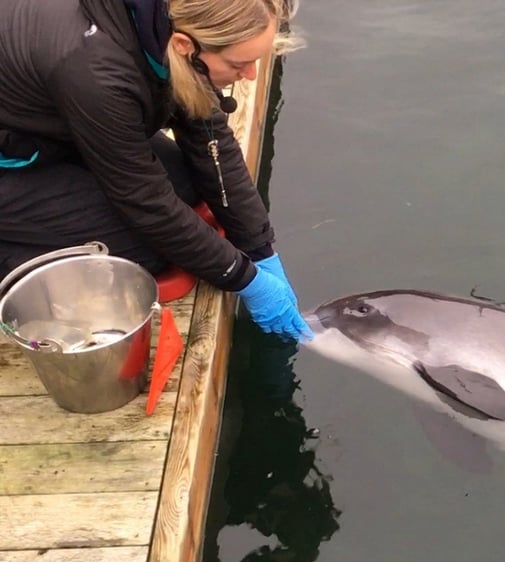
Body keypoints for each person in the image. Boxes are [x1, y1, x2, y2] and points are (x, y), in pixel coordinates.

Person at [0, 0, 311, 341]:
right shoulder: (98, 74)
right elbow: (146, 203)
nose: (250, 75)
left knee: (187, 187)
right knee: (144, 251)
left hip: (51, 128)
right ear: (184, 46)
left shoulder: (170, 27)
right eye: (239, 63)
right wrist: (244, 279)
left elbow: (212, 143)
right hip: (15, 158)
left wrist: (260, 247)